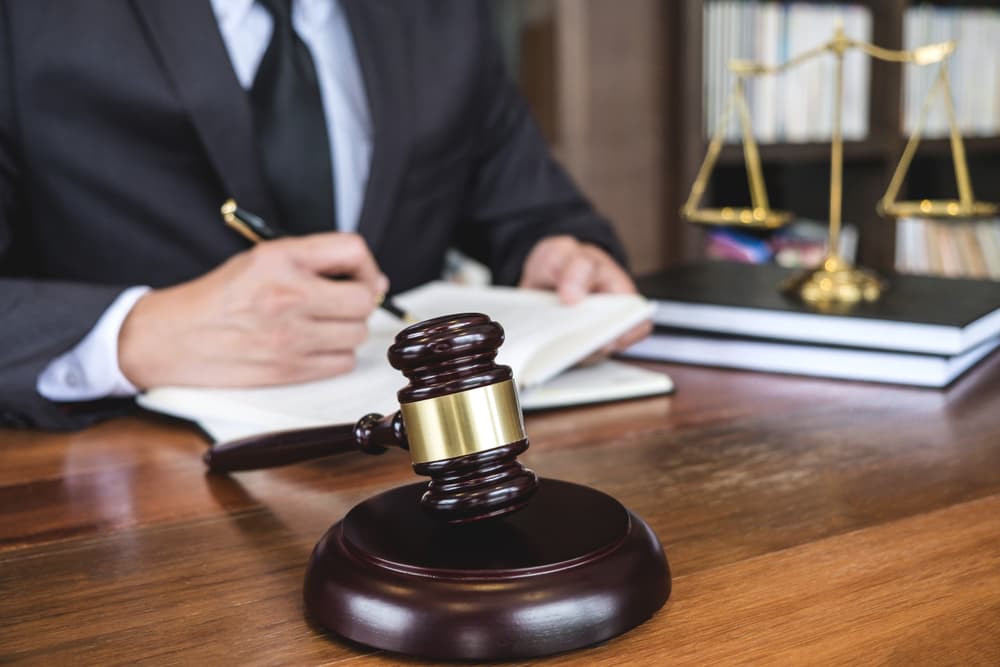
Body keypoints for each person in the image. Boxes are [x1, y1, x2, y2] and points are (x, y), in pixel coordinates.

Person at [0, 0, 650, 430]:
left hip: (414, 469)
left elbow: (534, 206)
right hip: (116, 501)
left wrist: (558, 252)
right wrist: (138, 336)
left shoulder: (441, 16)